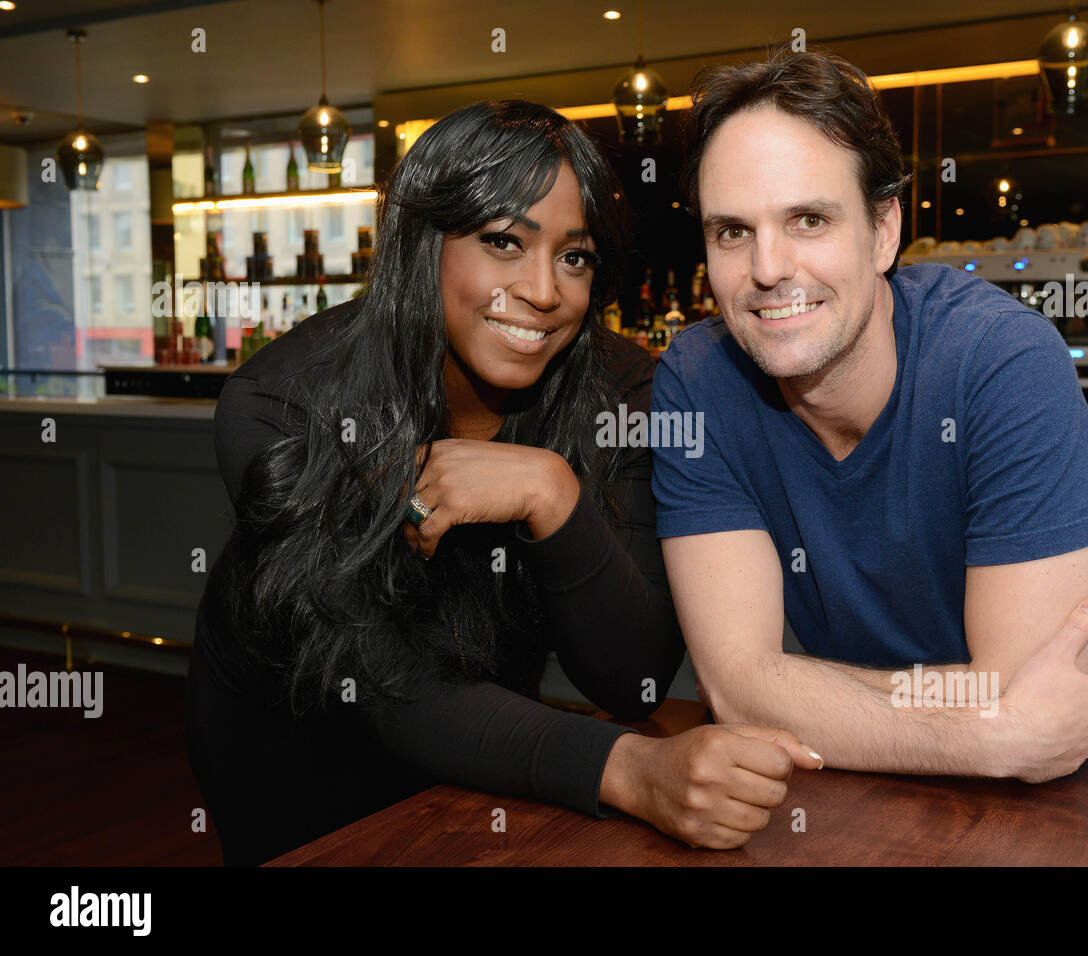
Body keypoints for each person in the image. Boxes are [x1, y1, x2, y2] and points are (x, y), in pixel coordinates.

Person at [185, 100, 820, 865]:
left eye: (575, 256)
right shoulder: (283, 406)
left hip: (484, 764)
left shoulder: (616, 391)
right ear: (422, 243)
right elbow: (389, 685)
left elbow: (635, 680)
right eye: (503, 242)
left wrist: (553, 494)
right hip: (295, 768)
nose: (544, 291)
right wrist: (629, 769)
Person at [651, 48, 1088, 780]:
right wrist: (983, 733)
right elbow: (734, 688)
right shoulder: (697, 377)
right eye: (732, 232)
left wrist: (797, 695)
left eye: (808, 219)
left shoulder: (999, 356)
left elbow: (1029, 703)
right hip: (892, 754)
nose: (768, 268)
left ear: (882, 230)